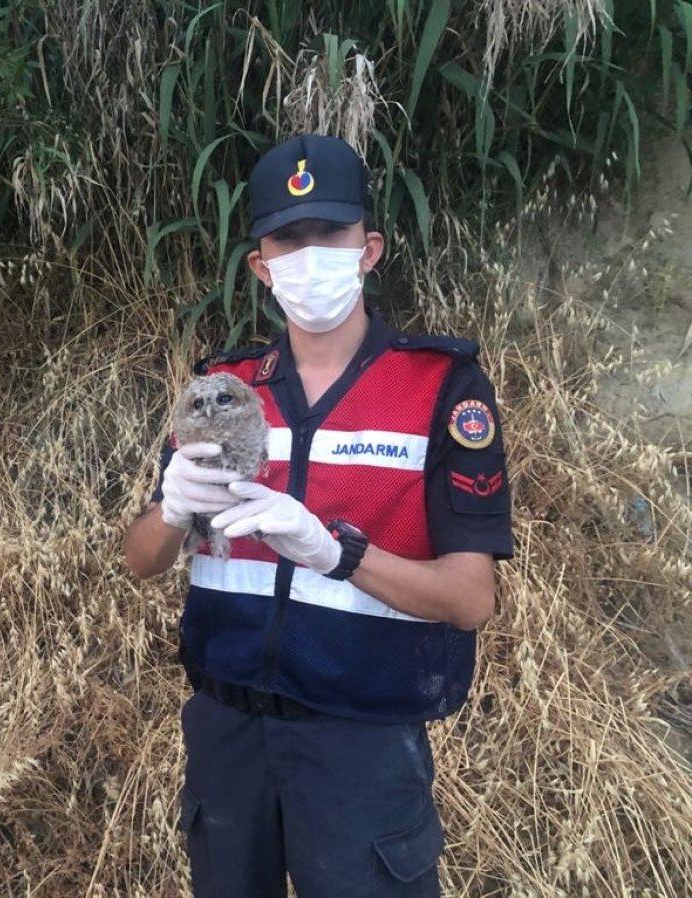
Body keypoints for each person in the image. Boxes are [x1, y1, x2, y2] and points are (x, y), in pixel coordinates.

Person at [123, 134, 513, 897]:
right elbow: (139, 559)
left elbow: (472, 599)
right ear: (260, 268)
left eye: (328, 235)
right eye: (286, 240)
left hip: (360, 744)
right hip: (226, 736)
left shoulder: (440, 387)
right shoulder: (222, 388)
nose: (309, 257)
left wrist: (337, 552)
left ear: (368, 250)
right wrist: (170, 511)